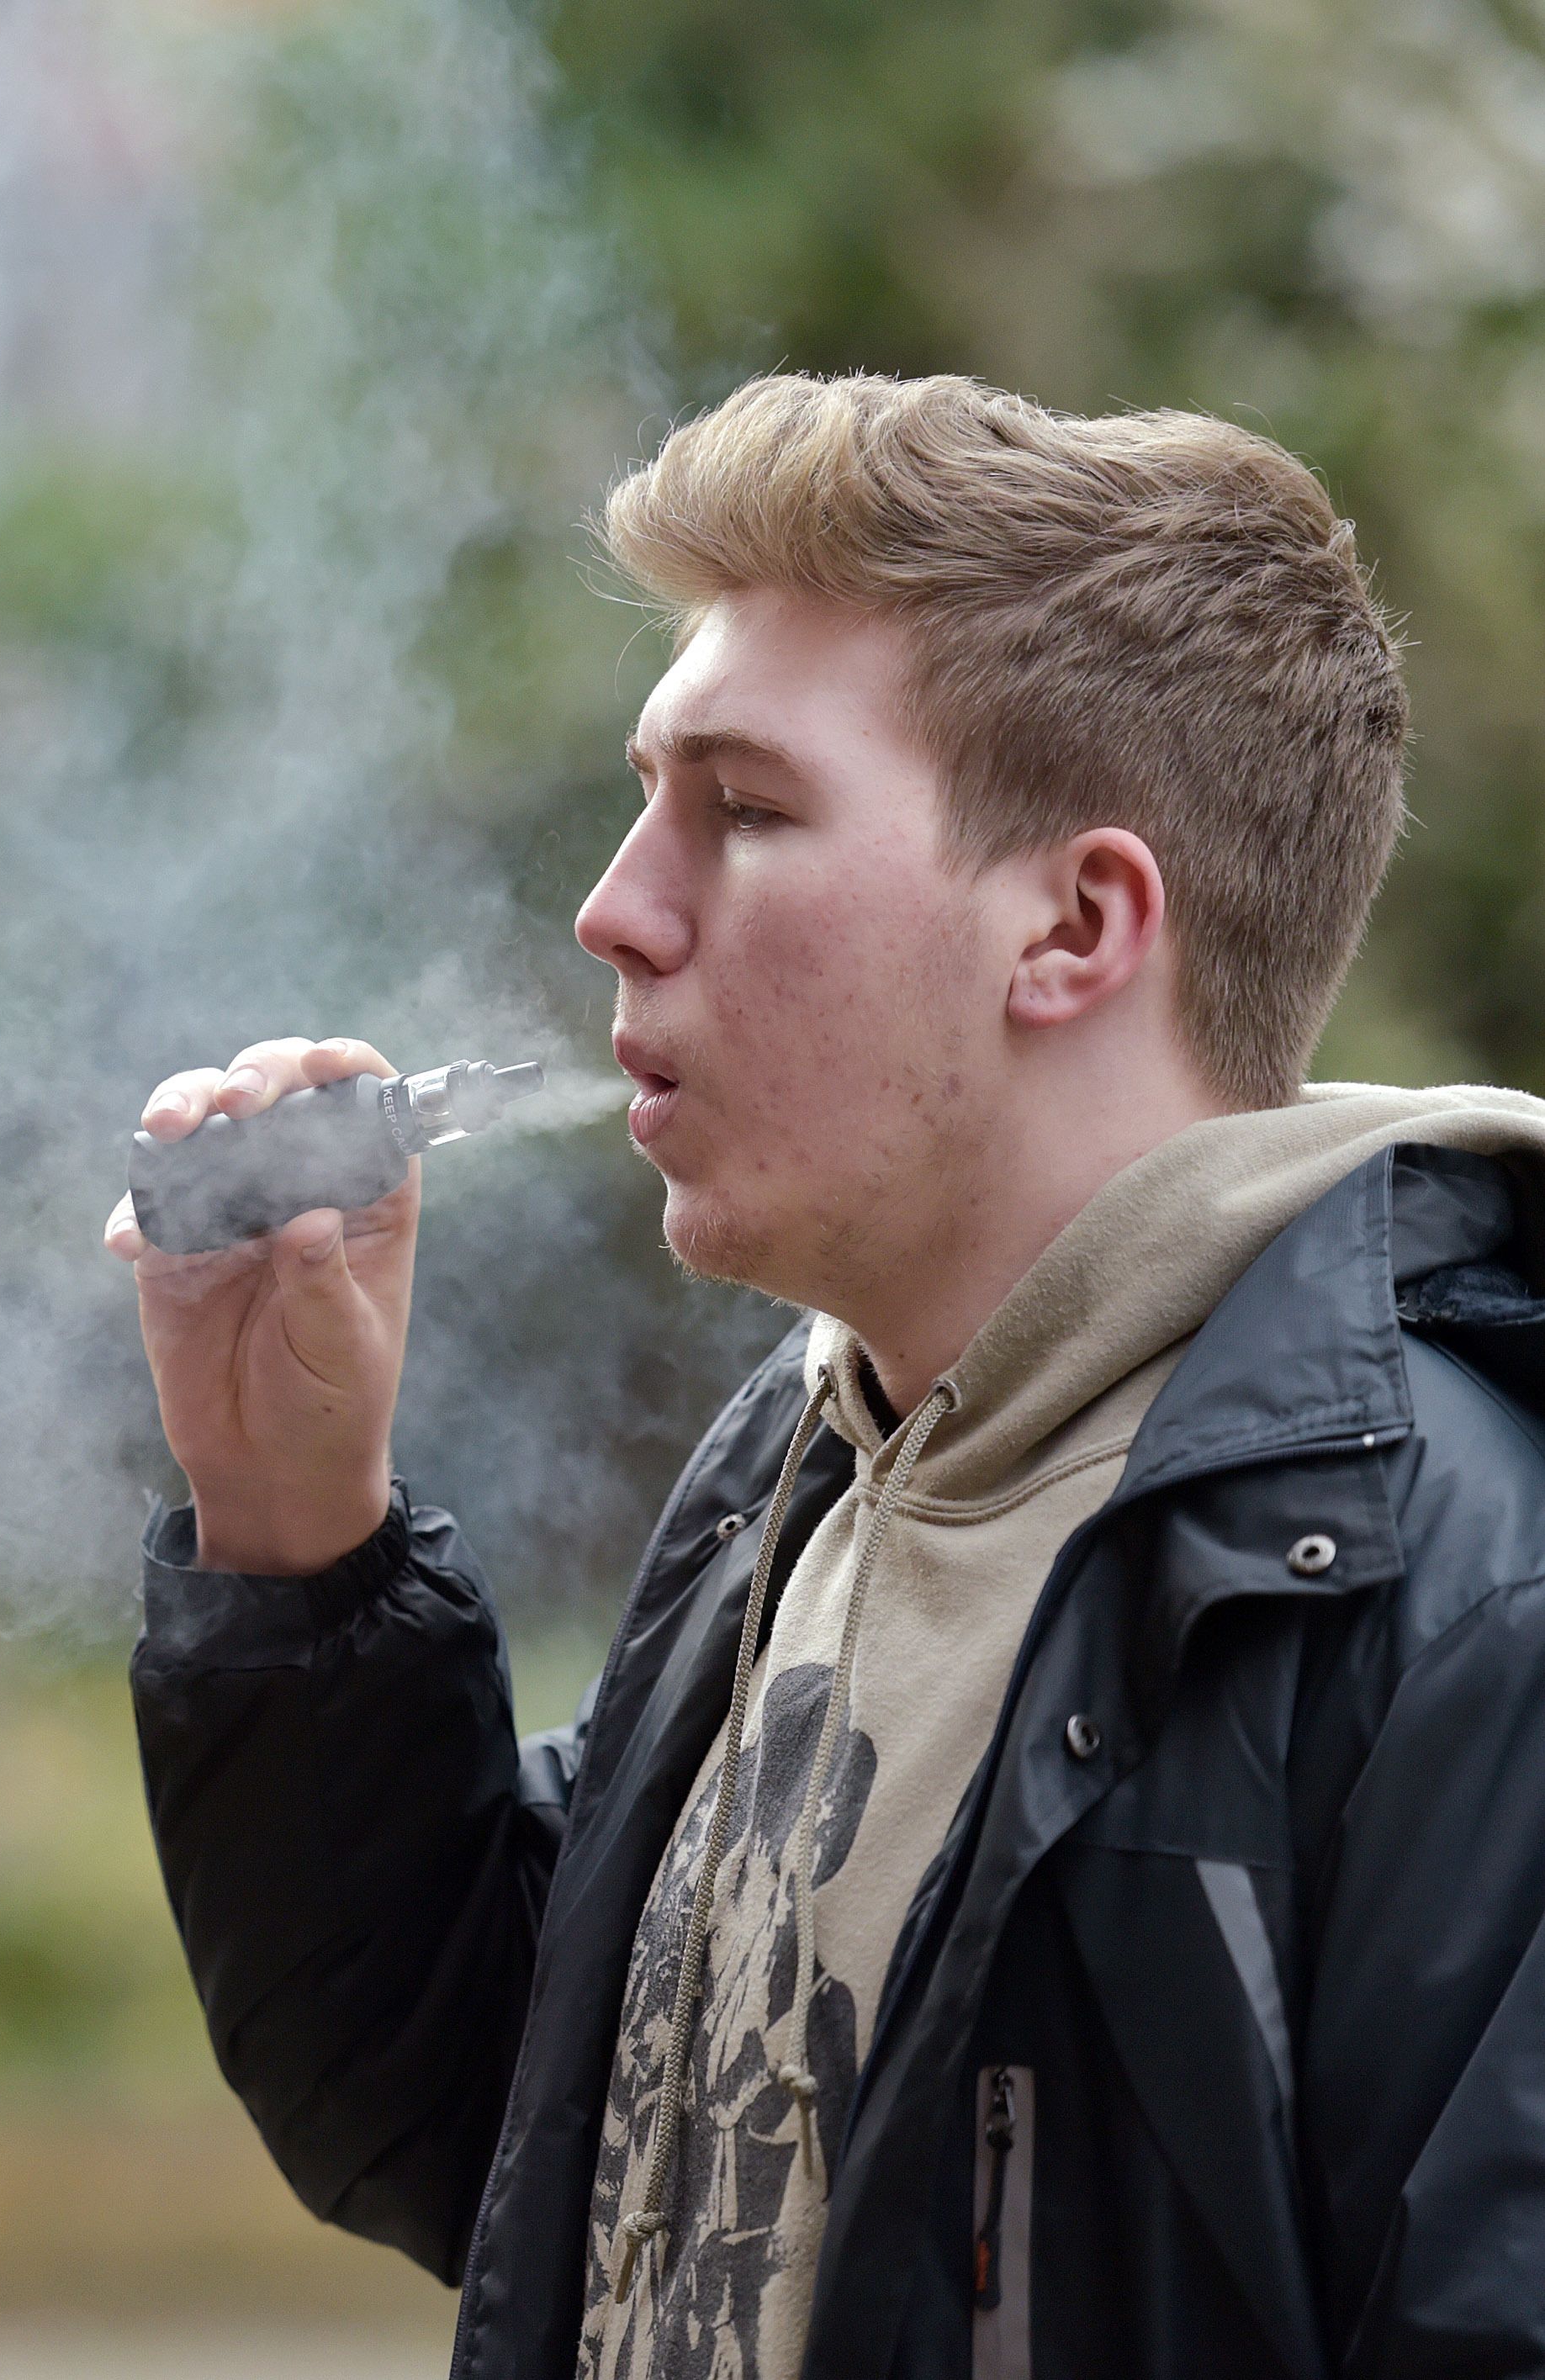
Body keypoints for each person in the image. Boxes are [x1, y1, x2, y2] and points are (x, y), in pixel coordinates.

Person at [112, 373, 1545, 2379]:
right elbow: (494, 2137)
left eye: (745, 809)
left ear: (1070, 922)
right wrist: (288, 1526)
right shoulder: (811, 1471)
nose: (613, 907)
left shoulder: (1457, 1596)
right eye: (643, 796)